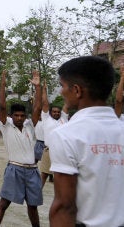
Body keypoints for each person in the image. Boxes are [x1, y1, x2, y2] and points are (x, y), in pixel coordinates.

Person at [49, 56, 124, 226]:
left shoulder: (66, 134)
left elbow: (64, 207)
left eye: (62, 86)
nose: (61, 92)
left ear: (77, 90)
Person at [0, 70, 43, 227]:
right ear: (11, 116)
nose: (19, 118)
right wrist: (2, 84)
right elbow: (2, 106)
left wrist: (38, 87)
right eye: (16, 115)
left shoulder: (29, 126)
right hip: (15, 169)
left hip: (33, 170)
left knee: (33, 206)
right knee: (4, 203)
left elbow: (38, 108)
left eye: (22, 116)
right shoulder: (6, 126)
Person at [37, 79, 68, 188]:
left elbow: (67, 103)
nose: (56, 113)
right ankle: (37, 194)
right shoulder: (46, 118)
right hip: (49, 150)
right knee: (44, 174)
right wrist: (44, 90)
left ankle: (61, 197)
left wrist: (66, 88)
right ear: (50, 113)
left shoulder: (64, 118)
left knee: (60, 176)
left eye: (58, 112)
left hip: (62, 151)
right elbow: (45, 103)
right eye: (54, 111)